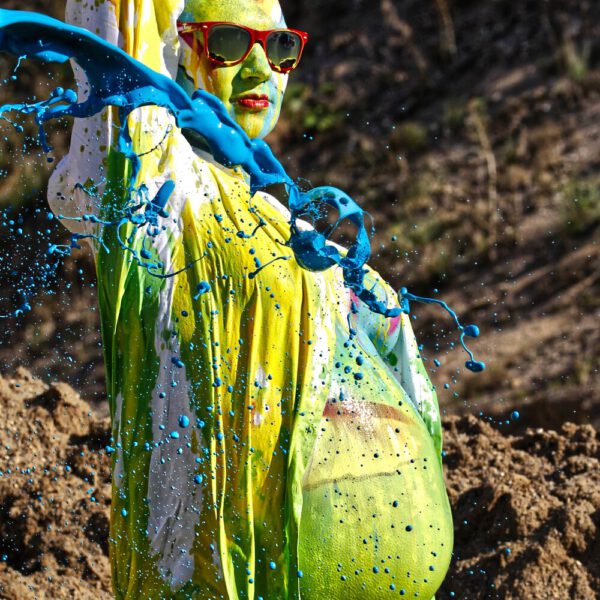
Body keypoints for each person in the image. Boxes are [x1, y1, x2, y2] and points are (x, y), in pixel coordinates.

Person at [48, 0, 453, 598]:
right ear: (181, 48)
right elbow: (111, 58)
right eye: (232, 42)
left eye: (282, 47)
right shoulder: (162, 189)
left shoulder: (303, 236)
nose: (262, 67)